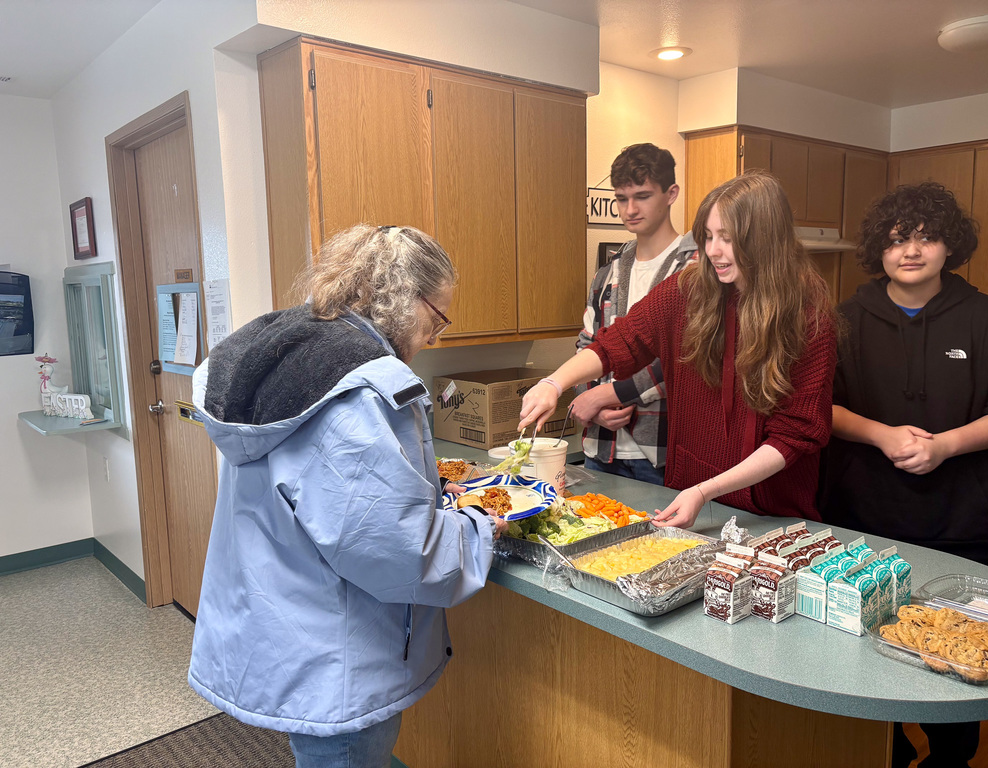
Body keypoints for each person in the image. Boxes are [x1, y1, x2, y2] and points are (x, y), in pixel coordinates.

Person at [187, 224, 507, 768]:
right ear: (406, 300)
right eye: (438, 317)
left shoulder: (293, 347)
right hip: (336, 656)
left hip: (290, 626)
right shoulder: (358, 387)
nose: (434, 336)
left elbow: (320, 491)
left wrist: (425, 487)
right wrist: (477, 528)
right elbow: (397, 551)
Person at [817, 182, 988, 768]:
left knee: (961, 667)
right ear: (879, 250)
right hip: (861, 524)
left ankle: (949, 757)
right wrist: (882, 434)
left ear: (950, 245)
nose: (911, 250)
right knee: (862, 662)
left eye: (926, 237)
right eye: (898, 238)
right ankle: (886, 750)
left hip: (962, 528)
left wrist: (948, 446)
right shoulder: (845, 320)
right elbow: (817, 407)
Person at [520, 169, 837, 528]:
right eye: (708, 236)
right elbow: (621, 340)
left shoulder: (809, 316)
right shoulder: (688, 290)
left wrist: (706, 490)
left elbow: (794, 434)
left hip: (771, 509)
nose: (713, 251)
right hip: (692, 499)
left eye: (728, 238)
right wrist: (554, 384)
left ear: (764, 240)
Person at [574, 143, 697, 484]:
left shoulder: (695, 268)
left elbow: (685, 358)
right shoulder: (609, 270)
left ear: (670, 193)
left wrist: (609, 394)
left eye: (642, 196)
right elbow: (588, 344)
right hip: (602, 449)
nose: (630, 209)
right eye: (621, 198)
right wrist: (589, 401)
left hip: (662, 449)